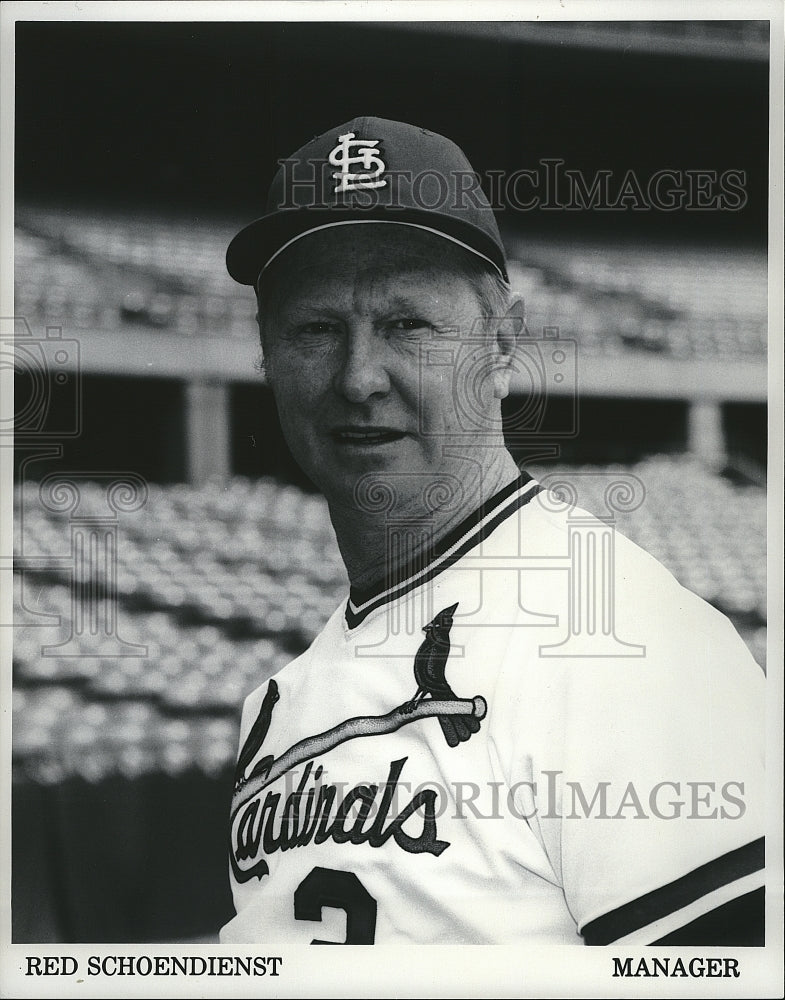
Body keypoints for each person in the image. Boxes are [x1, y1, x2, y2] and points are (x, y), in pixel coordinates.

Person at [219, 117, 765, 945]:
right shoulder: (281, 703)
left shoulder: (617, 643)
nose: (359, 377)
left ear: (503, 347)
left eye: (409, 325)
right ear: (265, 354)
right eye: (315, 329)